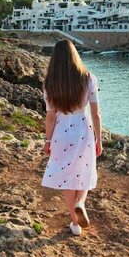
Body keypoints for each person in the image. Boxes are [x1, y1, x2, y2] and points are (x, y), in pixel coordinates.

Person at [41, 40, 102, 236]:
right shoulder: (88, 78)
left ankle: (75, 224)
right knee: (84, 171)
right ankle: (81, 202)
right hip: (83, 129)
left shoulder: (50, 84)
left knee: (68, 178)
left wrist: (48, 141)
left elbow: (50, 116)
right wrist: (99, 139)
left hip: (61, 132)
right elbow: (96, 113)